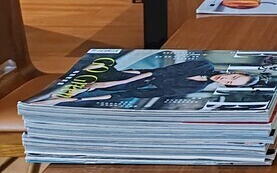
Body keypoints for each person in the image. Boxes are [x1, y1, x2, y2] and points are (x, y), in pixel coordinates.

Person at [32, 58, 258, 105]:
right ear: (233, 71)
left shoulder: (197, 87)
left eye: (230, 83)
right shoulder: (204, 65)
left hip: (134, 87)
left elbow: (150, 93)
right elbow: (156, 74)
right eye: (233, 76)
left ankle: (56, 102)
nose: (226, 79)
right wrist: (107, 85)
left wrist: (108, 93)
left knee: (84, 99)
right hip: (133, 75)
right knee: (102, 74)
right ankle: (57, 96)